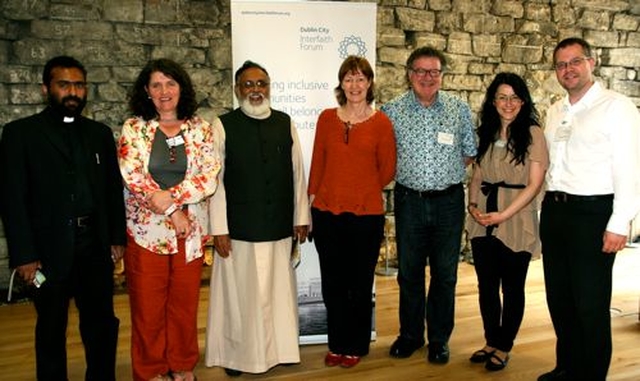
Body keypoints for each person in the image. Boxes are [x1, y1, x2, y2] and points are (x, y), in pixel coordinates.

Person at [0, 55, 126, 380]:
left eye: (79, 85)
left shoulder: (98, 133)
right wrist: (25, 256)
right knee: (51, 327)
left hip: (94, 249)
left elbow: (112, 190)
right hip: (45, 254)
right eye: (64, 84)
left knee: (101, 325)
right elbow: (12, 199)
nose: (73, 91)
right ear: (46, 89)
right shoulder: (20, 134)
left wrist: (116, 238)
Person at [538, 37, 640, 381]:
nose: (568, 69)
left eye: (575, 61)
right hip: (556, 213)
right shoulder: (556, 110)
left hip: (594, 215)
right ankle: (567, 367)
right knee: (560, 299)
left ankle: (591, 375)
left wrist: (620, 222)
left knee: (591, 304)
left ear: (591, 63)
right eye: (561, 64)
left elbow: (630, 167)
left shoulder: (617, 107)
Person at [204, 60, 310, 377]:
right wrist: (218, 229)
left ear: (269, 87)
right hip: (239, 229)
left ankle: (281, 351)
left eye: (261, 83)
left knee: (278, 295)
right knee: (239, 299)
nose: (256, 90)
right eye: (248, 84)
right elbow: (215, 181)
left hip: (278, 225)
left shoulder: (285, 122)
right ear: (237, 90)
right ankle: (237, 357)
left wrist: (300, 216)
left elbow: (297, 173)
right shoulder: (222, 126)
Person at [118, 58, 221, 381]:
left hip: (189, 233)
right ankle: (151, 370)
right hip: (146, 232)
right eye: (156, 85)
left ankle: (180, 364)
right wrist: (173, 211)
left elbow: (209, 177)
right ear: (146, 91)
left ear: (181, 88)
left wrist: (174, 201)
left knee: (184, 304)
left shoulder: (201, 129)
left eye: (170, 83)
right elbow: (132, 175)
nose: (164, 91)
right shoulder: (134, 128)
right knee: (148, 308)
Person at [381, 46, 477, 364]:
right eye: (420, 71)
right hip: (409, 201)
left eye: (434, 71)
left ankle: (438, 339)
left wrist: (442, 175)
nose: (427, 77)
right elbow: (383, 155)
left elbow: (468, 152)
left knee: (445, 274)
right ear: (409, 74)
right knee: (409, 273)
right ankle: (410, 335)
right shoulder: (391, 111)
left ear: (442, 75)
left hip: (449, 202)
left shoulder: (458, 108)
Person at [307, 56, 397, 369]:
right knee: (333, 284)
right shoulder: (326, 119)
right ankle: (337, 343)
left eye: (360, 79)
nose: (354, 85)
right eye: (348, 79)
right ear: (341, 84)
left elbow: (387, 170)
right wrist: (311, 204)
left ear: (369, 83)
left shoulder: (381, 123)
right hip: (327, 214)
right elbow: (317, 164)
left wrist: (359, 189)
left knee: (359, 284)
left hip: (366, 216)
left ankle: (356, 345)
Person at [465, 72, 548, 371]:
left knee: (512, 287)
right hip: (483, 218)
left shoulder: (533, 134)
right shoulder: (486, 132)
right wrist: (472, 205)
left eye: (514, 97)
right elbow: (477, 175)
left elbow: (534, 184)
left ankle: (505, 345)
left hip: (517, 218)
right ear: (493, 101)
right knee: (486, 286)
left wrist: (504, 215)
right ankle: (491, 340)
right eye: (502, 97)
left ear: (523, 101)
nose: (508, 103)